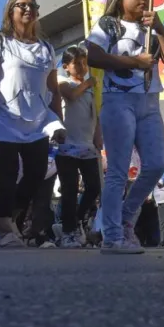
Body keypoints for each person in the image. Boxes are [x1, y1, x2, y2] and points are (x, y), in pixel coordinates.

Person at [86, 0, 164, 254]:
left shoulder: (151, 27)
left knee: (154, 165)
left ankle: (125, 219)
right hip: (119, 101)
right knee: (117, 170)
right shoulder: (109, 24)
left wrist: (162, 29)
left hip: (150, 103)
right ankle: (112, 237)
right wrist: (132, 61)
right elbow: (92, 55)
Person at [0, 0, 67, 248]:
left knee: (37, 171)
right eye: (21, 6)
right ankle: (5, 227)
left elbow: (53, 89)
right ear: (10, 11)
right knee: (8, 171)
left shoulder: (46, 48)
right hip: (3, 118)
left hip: (36, 121)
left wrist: (58, 122)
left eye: (32, 6)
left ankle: (10, 217)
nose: (28, 9)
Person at [54, 45, 102, 248]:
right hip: (68, 145)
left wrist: (98, 136)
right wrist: (88, 83)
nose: (82, 66)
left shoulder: (92, 87)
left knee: (94, 187)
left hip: (87, 144)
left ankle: (77, 219)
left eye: (84, 62)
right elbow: (71, 95)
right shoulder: (62, 81)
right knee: (70, 189)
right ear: (66, 66)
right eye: (77, 63)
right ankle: (67, 231)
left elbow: (97, 113)